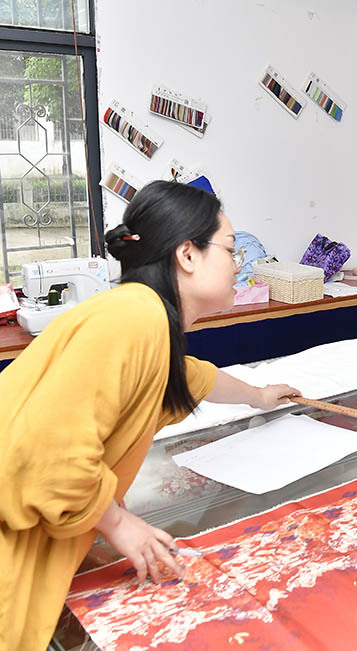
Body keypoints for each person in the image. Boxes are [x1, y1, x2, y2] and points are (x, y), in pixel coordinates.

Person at [0, 181, 302, 649]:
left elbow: (191, 378)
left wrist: (259, 396)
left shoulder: (144, 319)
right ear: (188, 254)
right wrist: (119, 525)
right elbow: (48, 452)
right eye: (230, 249)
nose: (238, 264)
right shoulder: (133, 317)